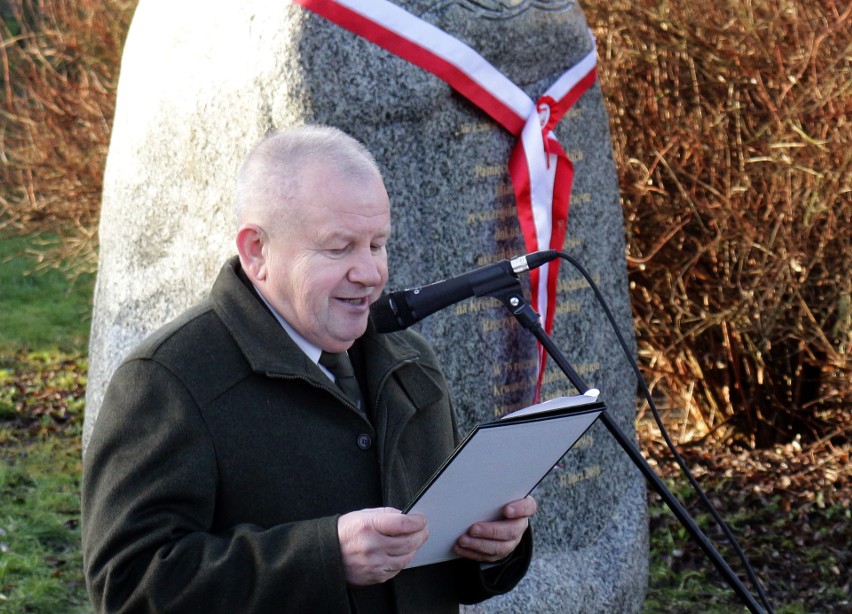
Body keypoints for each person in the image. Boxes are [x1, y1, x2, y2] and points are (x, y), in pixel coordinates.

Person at [82, 125, 536, 613]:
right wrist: (325, 556)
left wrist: (492, 547)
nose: (370, 273)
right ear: (257, 250)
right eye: (339, 248)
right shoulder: (167, 378)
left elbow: (433, 566)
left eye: (377, 244)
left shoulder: (410, 360)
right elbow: (127, 585)